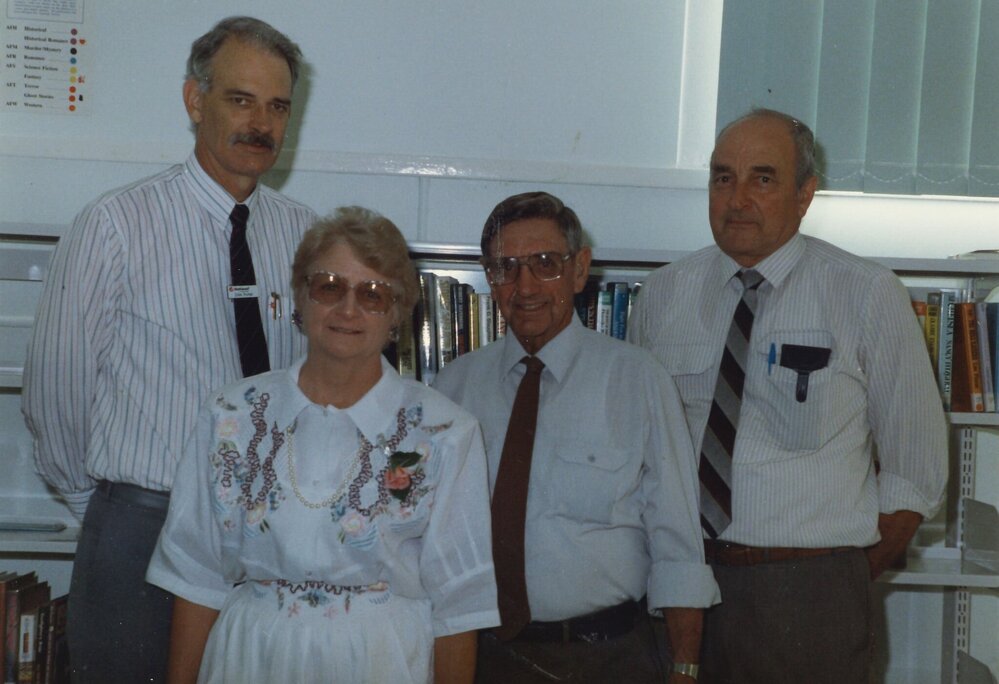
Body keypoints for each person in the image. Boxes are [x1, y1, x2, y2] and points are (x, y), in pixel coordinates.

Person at [22, 16, 317, 682]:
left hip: (272, 535)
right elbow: (57, 391)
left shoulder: (304, 236)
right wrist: (107, 508)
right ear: (194, 100)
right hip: (143, 530)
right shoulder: (116, 225)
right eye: (241, 100)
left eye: (276, 107)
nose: (260, 124)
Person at [628, 109, 948, 683]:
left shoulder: (867, 294)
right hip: (679, 585)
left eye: (763, 178)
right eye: (723, 177)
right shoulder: (662, 295)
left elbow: (915, 476)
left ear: (805, 194)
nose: (738, 198)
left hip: (808, 597)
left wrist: (833, 576)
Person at [146, 207, 498, 683]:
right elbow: (196, 578)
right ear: (300, 296)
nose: (348, 309)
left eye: (373, 295)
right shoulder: (229, 415)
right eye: (329, 286)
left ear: (397, 314)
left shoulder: (443, 432)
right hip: (251, 658)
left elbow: (460, 607)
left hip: (382, 661)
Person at [433, 191, 719, 684]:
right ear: (489, 277)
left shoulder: (638, 380)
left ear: (579, 269)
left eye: (545, 264)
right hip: (484, 658)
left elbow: (678, 544)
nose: (525, 286)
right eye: (507, 267)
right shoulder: (452, 389)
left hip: (606, 658)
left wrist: (685, 668)